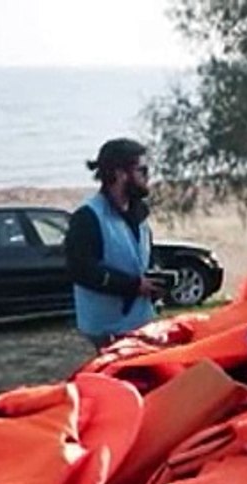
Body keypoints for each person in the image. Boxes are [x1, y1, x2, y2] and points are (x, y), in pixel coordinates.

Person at [64, 138, 165, 350]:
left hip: (141, 321)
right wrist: (133, 285)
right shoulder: (88, 217)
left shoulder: (139, 212)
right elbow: (81, 270)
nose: (148, 177)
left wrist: (155, 278)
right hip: (106, 328)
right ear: (120, 174)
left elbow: (144, 254)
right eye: (142, 170)